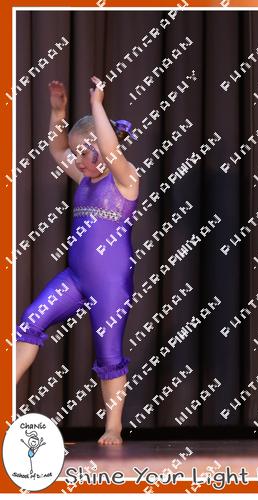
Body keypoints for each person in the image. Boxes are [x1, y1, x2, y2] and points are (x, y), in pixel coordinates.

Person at [15, 77, 140, 445]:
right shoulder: (85, 177)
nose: (78, 161)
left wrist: (97, 104)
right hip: (76, 278)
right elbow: (56, 150)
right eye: (77, 154)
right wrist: (58, 112)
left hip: (111, 285)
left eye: (85, 153)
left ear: (102, 145)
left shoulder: (125, 179)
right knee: (30, 321)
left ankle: (113, 427)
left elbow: (110, 151)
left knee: (109, 355)